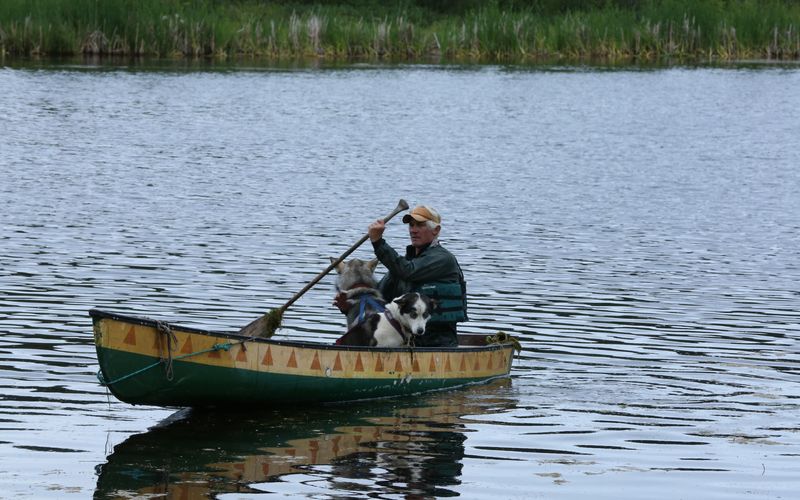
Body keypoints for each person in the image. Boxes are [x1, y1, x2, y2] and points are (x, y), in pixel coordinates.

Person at [366, 204, 468, 347]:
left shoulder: (443, 259)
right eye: (411, 225)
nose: (413, 230)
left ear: (436, 230)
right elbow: (377, 298)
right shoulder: (404, 265)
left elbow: (408, 271)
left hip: (438, 344)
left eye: (420, 225)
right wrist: (349, 304)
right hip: (403, 340)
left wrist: (378, 242)